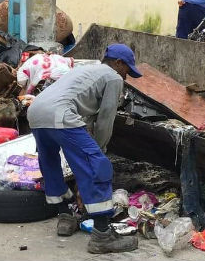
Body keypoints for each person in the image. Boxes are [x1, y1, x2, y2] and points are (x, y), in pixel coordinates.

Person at [27, 44, 142, 254]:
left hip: (36, 112)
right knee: (98, 166)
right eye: (128, 70)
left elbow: (85, 116)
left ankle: (65, 215)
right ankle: (102, 236)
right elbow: (106, 119)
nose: (127, 77)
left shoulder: (84, 69)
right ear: (118, 63)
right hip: (60, 114)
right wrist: (99, 150)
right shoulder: (113, 77)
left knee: (50, 163)